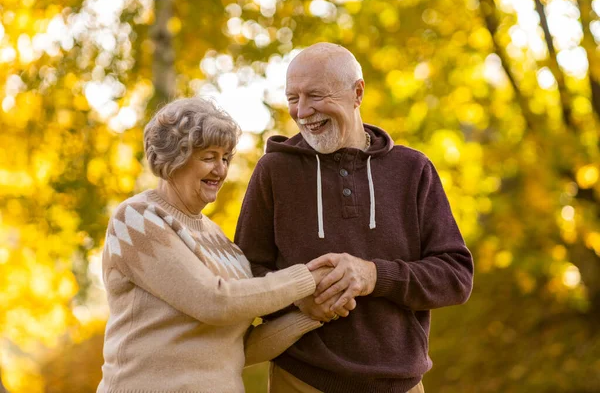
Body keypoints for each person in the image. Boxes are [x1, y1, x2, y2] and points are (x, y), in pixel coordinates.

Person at [234, 43, 474, 393]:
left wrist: (373, 275)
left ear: (357, 92)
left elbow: (456, 275)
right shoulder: (274, 171)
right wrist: (298, 295)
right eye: (292, 98)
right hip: (300, 381)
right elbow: (244, 272)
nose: (302, 111)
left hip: (401, 385)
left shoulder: (413, 169)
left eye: (315, 95)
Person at [96, 97, 342, 393]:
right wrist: (309, 278)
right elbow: (215, 302)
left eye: (226, 158)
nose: (221, 170)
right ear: (174, 158)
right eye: (208, 157)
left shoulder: (222, 244)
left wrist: (309, 316)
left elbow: (237, 348)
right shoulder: (137, 220)